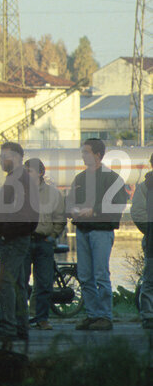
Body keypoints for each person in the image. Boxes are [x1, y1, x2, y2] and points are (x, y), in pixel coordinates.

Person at [66, 138, 128, 331]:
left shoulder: (112, 178)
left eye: (86, 152)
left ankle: (105, 316)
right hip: (83, 231)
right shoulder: (80, 178)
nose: (83, 155)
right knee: (85, 275)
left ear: (98, 155)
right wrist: (72, 209)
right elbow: (70, 202)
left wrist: (93, 210)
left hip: (101, 231)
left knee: (100, 274)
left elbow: (118, 203)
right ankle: (92, 315)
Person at [0, 142, 39, 341]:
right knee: (17, 283)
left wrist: (5, 232)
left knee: (7, 283)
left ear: (16, 157)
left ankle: (7, 328)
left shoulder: (20, 180)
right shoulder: (17, 179)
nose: (0, 159)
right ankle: (21, 328)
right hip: (15, 238)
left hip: (15, 239)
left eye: (4, 156)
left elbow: (25, 214)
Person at [22, 158, 66, 331]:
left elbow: (60, 219)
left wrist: (52, 236)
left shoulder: (54, 194)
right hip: (24, 242)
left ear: (41, 172)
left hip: (43, 242)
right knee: (21, 282)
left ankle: (42, 319)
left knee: (44, 283)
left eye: (30, 171)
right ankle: (21, 318)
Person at [127, 152, 153, 330]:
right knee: (150, 279)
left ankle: (148, 315)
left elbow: (137, 212)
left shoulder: (145, 186)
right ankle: (148, 315)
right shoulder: (146, 187)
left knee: (149, 280)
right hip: (152, 240)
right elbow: (137, 212)